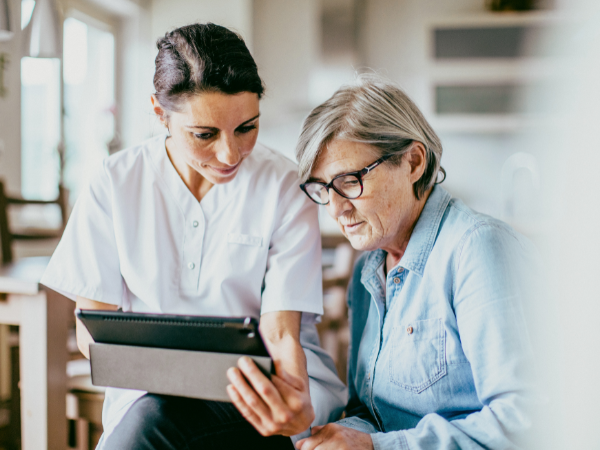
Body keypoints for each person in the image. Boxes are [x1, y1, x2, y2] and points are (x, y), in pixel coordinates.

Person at [41, 23, 346, 449]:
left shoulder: (284, 186)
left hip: (266, 389)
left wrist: (292, 399)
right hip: (150, 400)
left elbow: (280, 333)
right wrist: (171, 374)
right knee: (156, 416)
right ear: (158, 112)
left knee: (156, 425)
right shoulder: (115, 182)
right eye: (204, 135)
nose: (230, 154)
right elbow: (94, 332)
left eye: (247, 128)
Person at [294, 74, 538, 450]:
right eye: (323, 189)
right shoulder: (368, 270)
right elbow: (373, 414)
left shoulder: (476, 248)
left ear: (413, 162)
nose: (337, 208)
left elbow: (523, 421)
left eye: (349, 181)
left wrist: (377, 447)